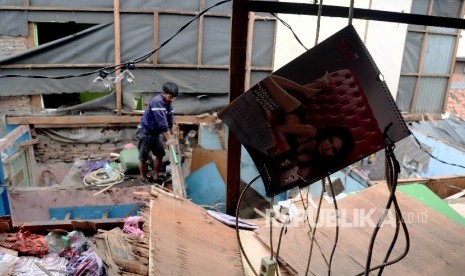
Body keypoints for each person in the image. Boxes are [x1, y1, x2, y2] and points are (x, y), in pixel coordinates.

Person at [259, 74, 355, 184]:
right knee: (266, 80)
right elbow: (279, 129)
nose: (327, 146)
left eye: (333, 150)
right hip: (294, 110)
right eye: (330, 140)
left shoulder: (315, 164)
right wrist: (287, 152)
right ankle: (306, 90)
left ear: (335, 156)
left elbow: (297, 178)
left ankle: (309, 88)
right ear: (328, 136)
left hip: (292, 115)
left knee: (274, 83)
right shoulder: (311, 132)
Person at [136, 82, 178, 185]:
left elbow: (170, 120)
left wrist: (172, 135)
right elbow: (162, 123)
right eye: (170, 97)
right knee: (143, 157)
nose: (172, 99)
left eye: (174, 98)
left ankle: (155, 176)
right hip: (145, 132)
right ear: (164, 93)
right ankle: (143, 178)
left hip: (155, 133)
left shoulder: (169, 104)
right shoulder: (157, 102)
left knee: (160, 154)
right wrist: (169, 139)